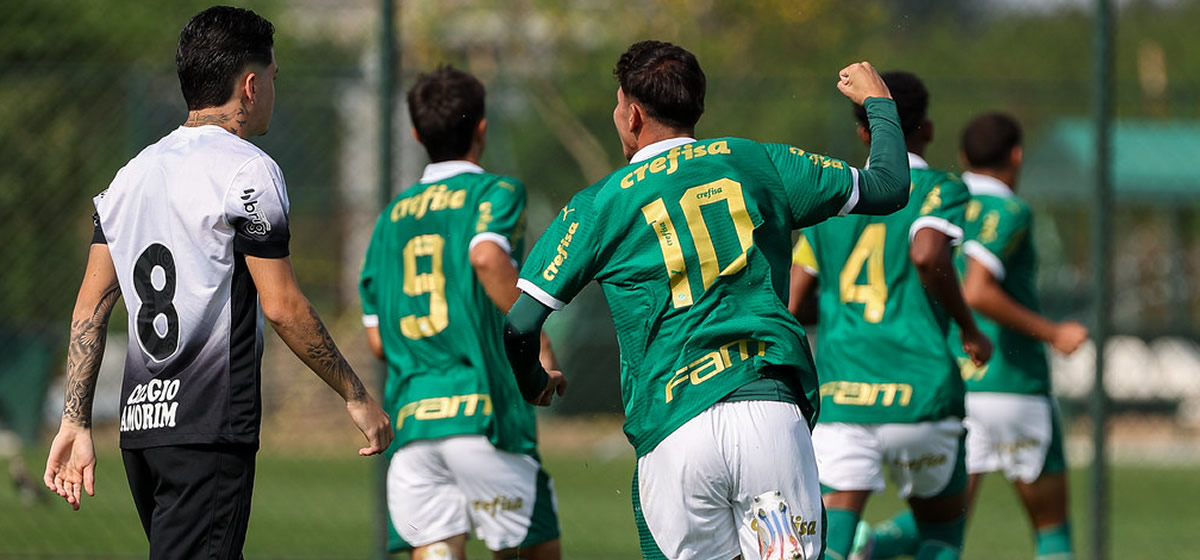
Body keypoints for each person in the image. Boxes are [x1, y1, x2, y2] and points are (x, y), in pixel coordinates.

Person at [502, 39, 912, 560]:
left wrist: (536, 383)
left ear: (631, 115)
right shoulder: (759, 161)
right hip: (767, 415)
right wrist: (879, 102)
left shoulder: (602, 201)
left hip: (675, 430)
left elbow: (519, 326)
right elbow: (890, 185)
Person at [42, 6, 392, 558]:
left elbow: (90, 309)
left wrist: (74, 421)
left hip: (142, 428)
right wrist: (356, 394)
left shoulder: (128, 176)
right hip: (204, 427)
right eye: (274, 77)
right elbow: (282, 306)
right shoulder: (247, 169)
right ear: (250, 86)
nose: (275, 89)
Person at [788, 71, 992, 560]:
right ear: (928, 128)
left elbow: (793, 300)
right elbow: (927, 253)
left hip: (844, 396)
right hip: (920, 392)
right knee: (939, 537)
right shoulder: (942, 188)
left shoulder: (834, 199)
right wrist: (968, 328)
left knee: (830, 543)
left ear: (865, 132)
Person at [359, 67, 562, 560]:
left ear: (415, 134)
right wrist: (539, 343)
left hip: (413, 426)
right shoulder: (496, 192)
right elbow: (487, 255)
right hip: (482, 414)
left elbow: (379, 341)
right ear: (483, 129)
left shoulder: (389, 220)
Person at [865, 112, 1088, 560]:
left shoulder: (939, 199)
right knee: (1051, 530)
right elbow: (978, 289)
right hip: (1013, 385)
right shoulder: (1010, 210)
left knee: (943, 519)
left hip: (955, 385)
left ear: (963, 156)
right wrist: (1054, 333)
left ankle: (871, 542)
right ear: (1017, 155)